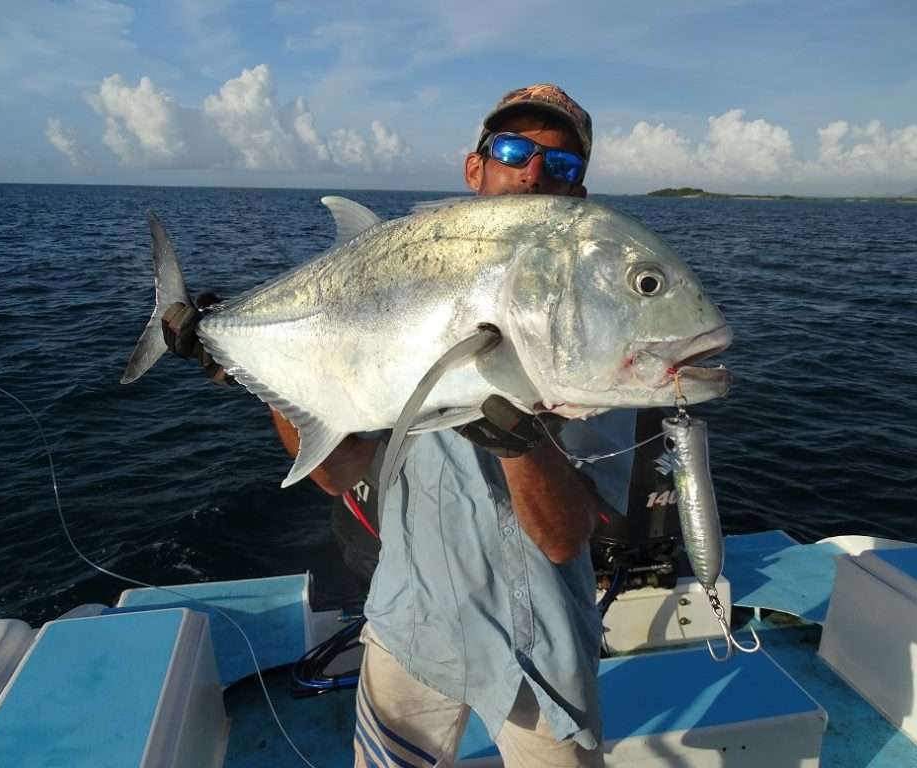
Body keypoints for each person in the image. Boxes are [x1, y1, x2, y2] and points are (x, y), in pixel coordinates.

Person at [165, 84, 639, 767]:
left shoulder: (590, 346)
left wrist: (521, 442)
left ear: (578, 197)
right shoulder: (399, 291)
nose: (533, 171)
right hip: (408, 622)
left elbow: (566, 540)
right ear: (475, 170)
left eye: (560, 165)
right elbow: (339, 473)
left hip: (537, 645)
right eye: (512, 151)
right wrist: (265, 377)